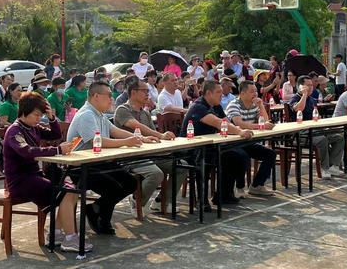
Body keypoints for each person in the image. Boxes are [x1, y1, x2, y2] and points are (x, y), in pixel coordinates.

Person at [3, 92, 91, 252]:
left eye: (40, 115)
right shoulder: (14, 131)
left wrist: (51, 117)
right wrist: (57, 149)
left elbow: (55, 134)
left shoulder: (33, 128)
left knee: (71, 190)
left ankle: (56, 233)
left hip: (35, 176)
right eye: (36, 114)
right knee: (64, 192)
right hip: (20, 181)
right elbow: (27, 151)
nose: (38, 118)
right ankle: (70, 237)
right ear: (24, 111)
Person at [67, 82, 140, 235]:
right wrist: (126, 142)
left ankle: (95, 210)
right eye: (108, 96)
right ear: (96, 96)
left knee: (130, 181)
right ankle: (100, 218)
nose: (111, 99)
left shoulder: (98, 114)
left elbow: (115, 131)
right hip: (81, 168)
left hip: (99, 163)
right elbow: (97, 141)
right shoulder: (86, 114)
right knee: (115, 185)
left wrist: (140, 138)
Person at [114, 79, 187, 214]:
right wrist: (160, 135)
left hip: (150, 154)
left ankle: (161, 202)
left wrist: (163, 137)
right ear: (134, 92)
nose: (148, 94)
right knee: (156, 173)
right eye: (145, 91)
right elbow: (136, 125)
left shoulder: (145, 113)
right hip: (131, 157)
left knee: (181, 166)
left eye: (148, 91)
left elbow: (154, 136)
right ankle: (137, 200)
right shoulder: (122, 109)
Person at [179, 80, 253, 207]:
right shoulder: (199, 106)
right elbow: (218, 123)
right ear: (208, 93)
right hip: (192, 149)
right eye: (218, 92)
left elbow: (226, 121)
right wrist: (240, 131)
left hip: (211, 146)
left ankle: (224, 194)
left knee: (239, 156)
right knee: (205, 159)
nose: (221, 94)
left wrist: (236, 130)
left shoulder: (216, 105)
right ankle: (201, 200)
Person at [225, 80, 276, 196]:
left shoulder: (254, 105)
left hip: (248, 141)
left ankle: (257, 185)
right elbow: (240, 124)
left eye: (256, 91)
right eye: (252, 91)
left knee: (270, 154)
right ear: (242, 93)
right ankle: (239, 187)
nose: (255, 94)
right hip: (233, 143)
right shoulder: (234, 104)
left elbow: (265, 120)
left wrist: (261, 105)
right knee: (242, 156)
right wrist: (261, 126)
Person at [289, 75, 345, 178]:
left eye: (311, 85)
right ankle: (324, 168)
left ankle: (333, 166)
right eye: (308, 85)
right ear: (300, 86)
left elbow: (316, 116)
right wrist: (304, 95)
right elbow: (298, 109)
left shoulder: (313, 100)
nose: (311, 87)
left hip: (315, 130)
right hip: (300, 133)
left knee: (339, 137)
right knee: (322, 140)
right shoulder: (295, 98)